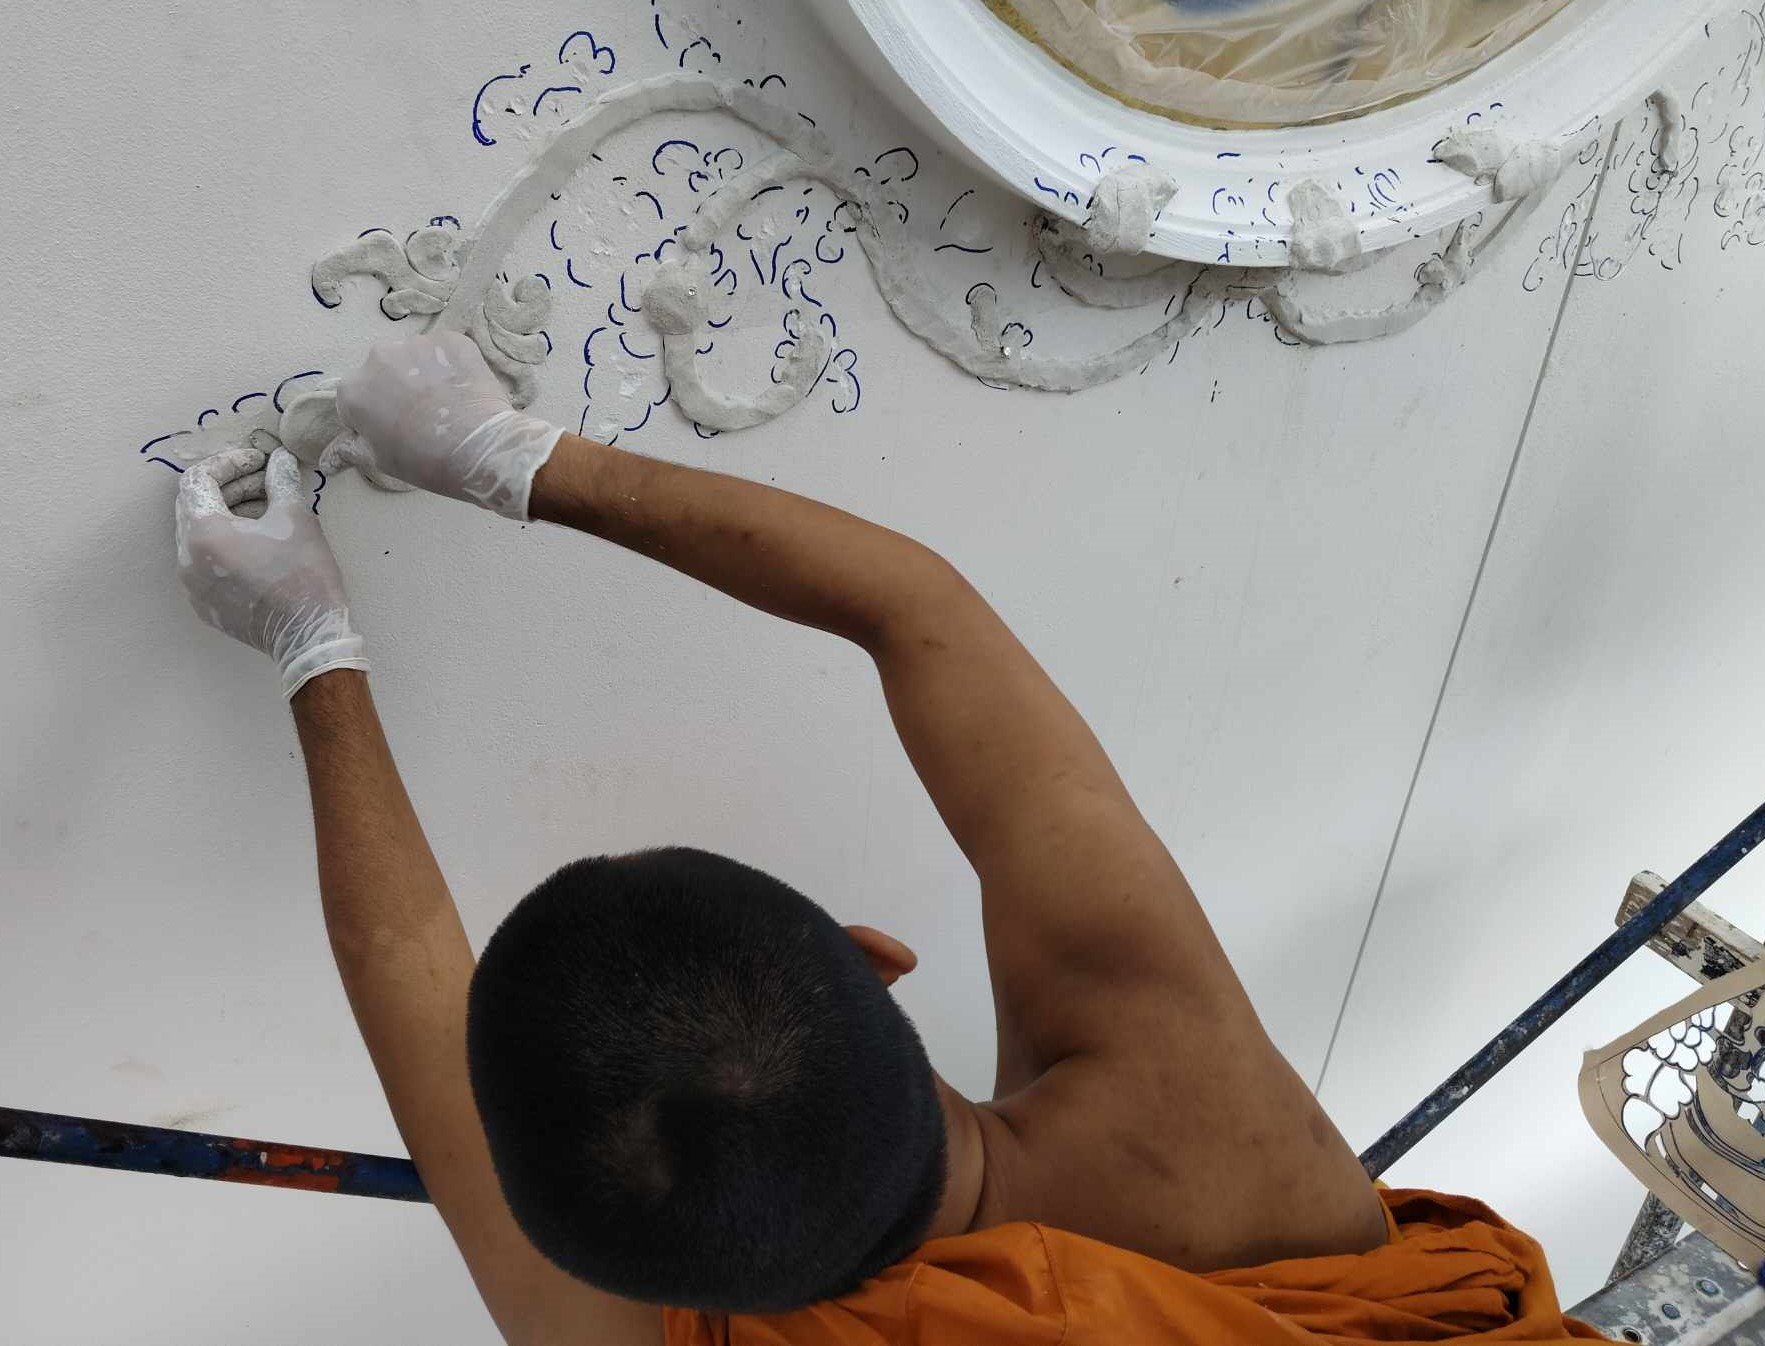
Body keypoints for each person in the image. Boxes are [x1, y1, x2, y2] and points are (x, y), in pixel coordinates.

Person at [173, 332, 1602, 1345]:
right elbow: (917, 612)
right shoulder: (1192, 1101)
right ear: (876, 956)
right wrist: (519, 461)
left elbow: (402, 960)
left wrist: (311, 637)